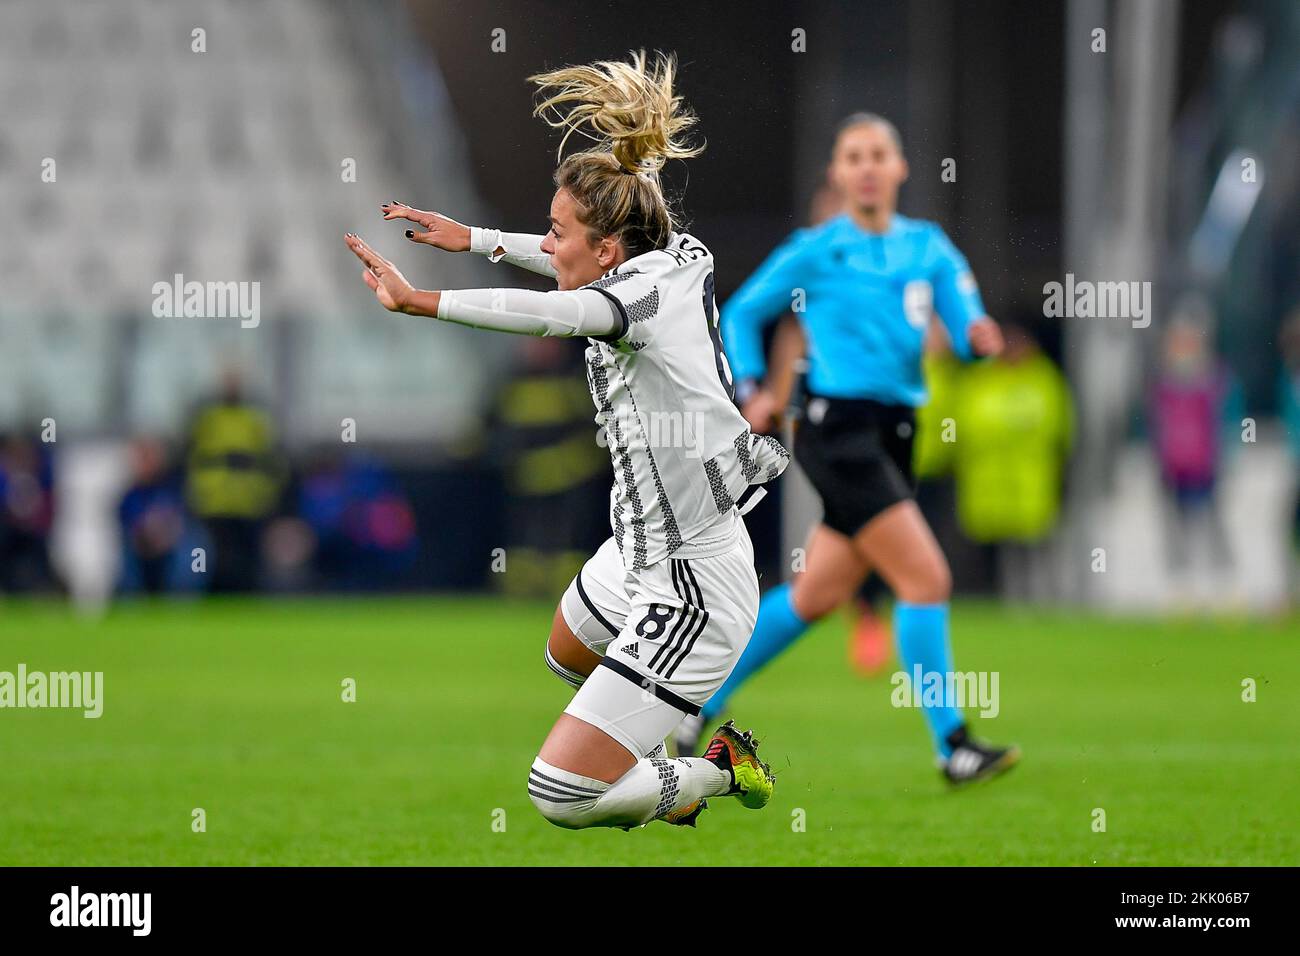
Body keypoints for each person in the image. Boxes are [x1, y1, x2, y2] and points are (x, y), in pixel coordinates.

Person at [344, 51, 788, 830]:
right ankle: (657, 719)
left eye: (557, 232)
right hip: (640, 548)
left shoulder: (629, 301)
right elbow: (567, 261)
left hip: (692, 583)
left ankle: (713, 768)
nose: (547, 247)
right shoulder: (666, 252)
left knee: (560, 797)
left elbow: (551, 313)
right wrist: (477, 238)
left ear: (609, 251)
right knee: (567, 653)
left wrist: (421, 301)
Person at [676, 112, 1019, 785]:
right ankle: (954, 745)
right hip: (837, 432)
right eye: (852, 156)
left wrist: (979, 342)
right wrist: (751, 385)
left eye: (877, 154)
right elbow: (742, 311)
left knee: (815, 597)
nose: (865, 166)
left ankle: (691, 705)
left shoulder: (929, 248)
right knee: (926, 579)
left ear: (899, 168)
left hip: (896, 433)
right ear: (837, 173)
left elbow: (965, 324)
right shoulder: (815, 249)